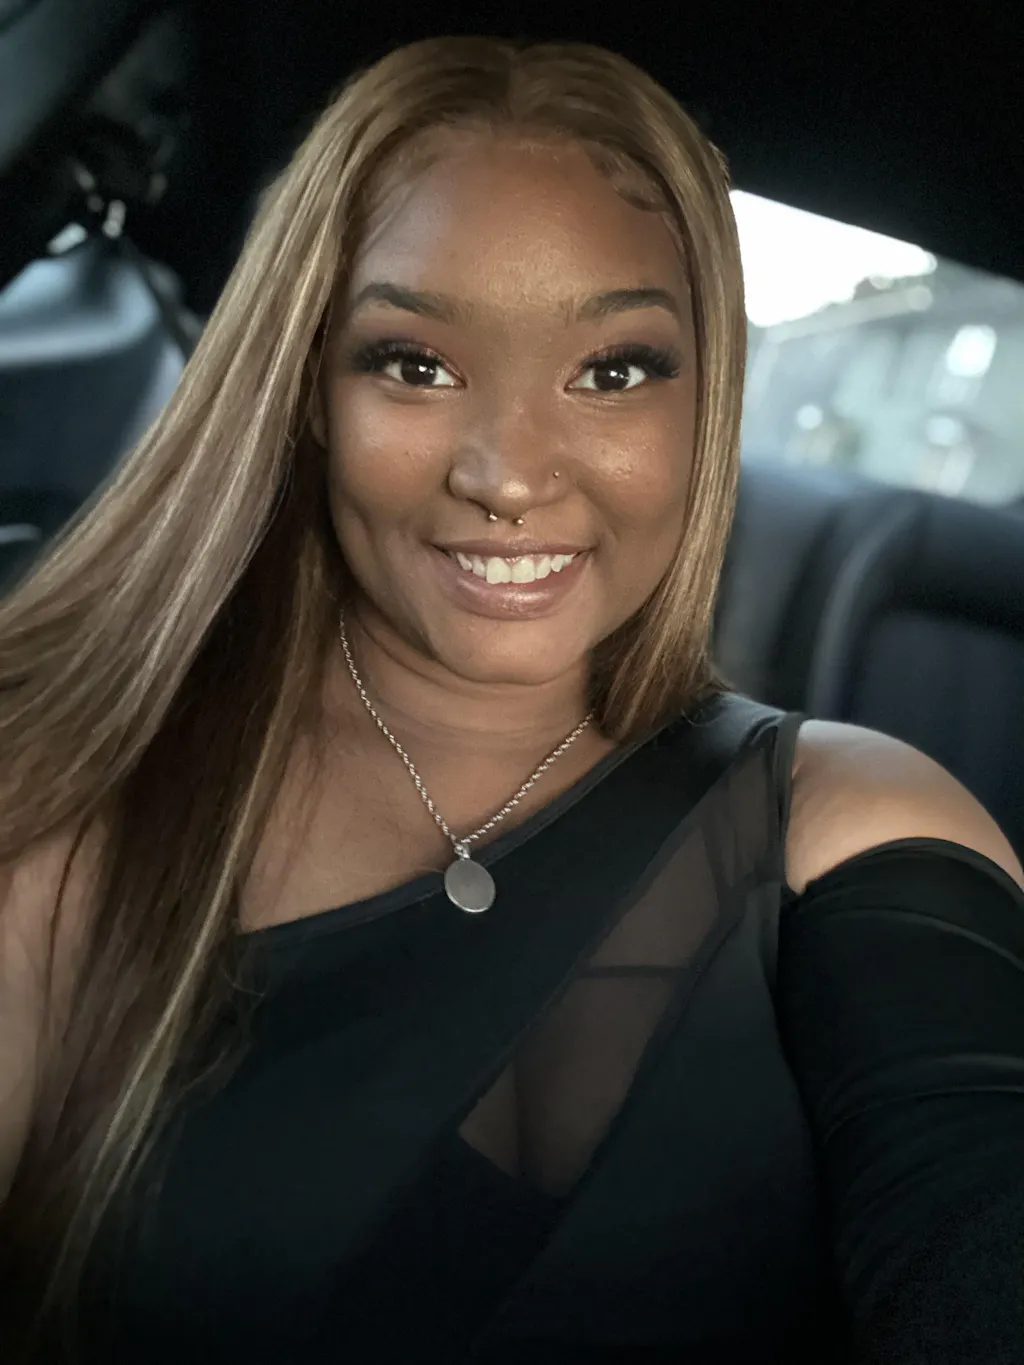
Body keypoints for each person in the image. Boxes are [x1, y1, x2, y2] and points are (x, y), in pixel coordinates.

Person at [0, 33, 1022, 1365]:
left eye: (615, 370)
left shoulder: (837, 821)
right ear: (304, 389)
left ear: (706, 405)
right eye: (415, 363)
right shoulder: (80, 779)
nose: (509, 474)